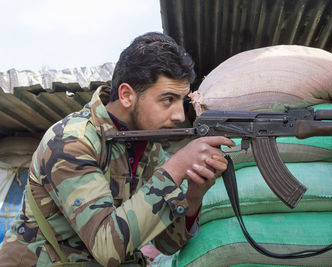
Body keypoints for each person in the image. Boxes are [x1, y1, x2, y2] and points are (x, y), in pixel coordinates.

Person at [0, 32, 234, 266]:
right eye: (167, 99)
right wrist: (175, 168)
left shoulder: (148, 148)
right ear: (126, 95)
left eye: (182, 101)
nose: (180, 115)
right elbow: (107, 247)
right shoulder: (71, 141)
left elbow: (166, 244)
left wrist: (193, 194)